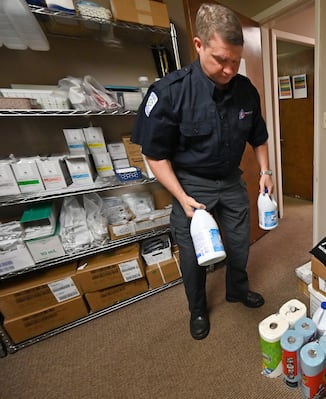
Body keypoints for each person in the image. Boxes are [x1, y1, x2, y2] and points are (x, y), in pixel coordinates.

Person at [131, 3, 273, 340]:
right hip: (190, 186)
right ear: (198, 46)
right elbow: (154, 155)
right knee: (195, 256)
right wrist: (180, 198)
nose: (228, 69)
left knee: (239, 245)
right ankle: (197, 308)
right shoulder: (169, 93)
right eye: (220, 59)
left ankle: (237, 289)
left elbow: (259, 137)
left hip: (231, 181)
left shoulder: (245, 91)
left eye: (235, 61)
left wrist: (265, 172)